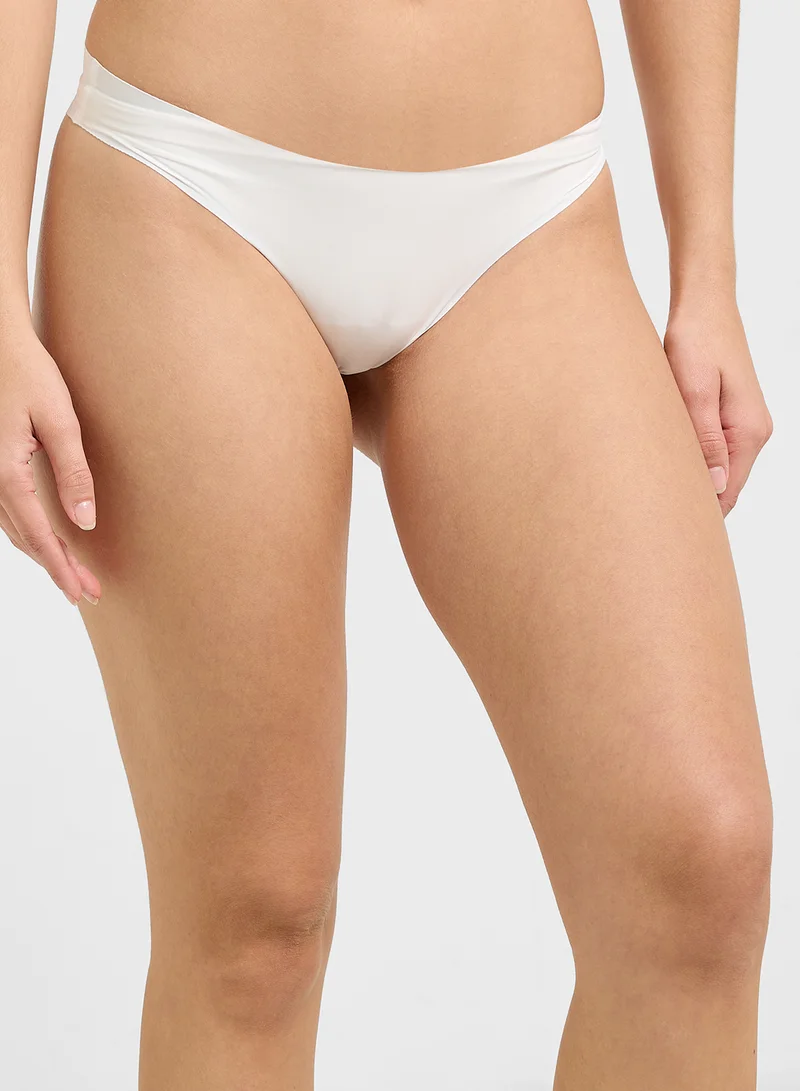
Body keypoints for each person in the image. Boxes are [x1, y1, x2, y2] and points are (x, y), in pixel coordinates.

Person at [0, 0, 775, 1087]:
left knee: (698, 869)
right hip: (190, 182)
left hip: (528, 211)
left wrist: (708, 272)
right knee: (253, 921)